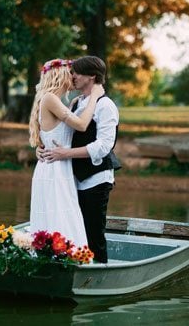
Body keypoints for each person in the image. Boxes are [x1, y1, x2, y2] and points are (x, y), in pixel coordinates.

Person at [39, 56, 119, 263]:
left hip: (95, 179)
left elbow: (103, 147)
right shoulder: (78, 103)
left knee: (94, 234)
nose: (72, 76)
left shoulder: (105, 106)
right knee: (76, 232)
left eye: (77, 73)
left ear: (91, 76)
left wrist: (65, 154)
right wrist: (43, 150)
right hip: (72, 179)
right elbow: (59, 135)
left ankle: (101, 275)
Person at [28, 58, 105, 248]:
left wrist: (78, 104)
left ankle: (64, 256)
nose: (74, 76)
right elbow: (81, 125)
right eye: (70, 73)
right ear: (60, 75)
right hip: (54, 169)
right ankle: (65, 256)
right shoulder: (50, 98)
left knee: (62, 215)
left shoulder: (57, 101)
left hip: (59, 166)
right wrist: (95, 97)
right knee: (59, 215)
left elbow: (56, 131)